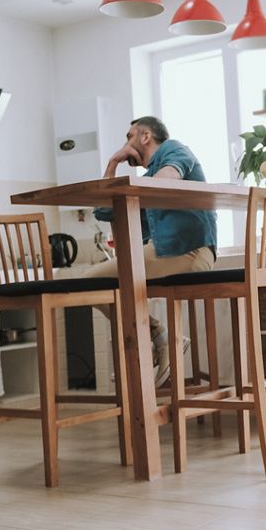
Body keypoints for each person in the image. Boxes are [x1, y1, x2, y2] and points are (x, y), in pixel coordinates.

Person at [85, 116, 217, 386]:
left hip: (190, 252)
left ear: (145, 136)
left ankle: (162, 337)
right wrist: (112, 164)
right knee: (93, 284)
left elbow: (166, 180)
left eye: (129, 136)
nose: (126, 144)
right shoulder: (146, 178)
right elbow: (104, 209)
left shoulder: (174, 149)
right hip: (170, 254)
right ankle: (163, 337)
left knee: (89, 281)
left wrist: (127, 183)